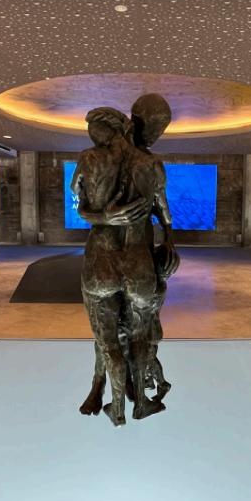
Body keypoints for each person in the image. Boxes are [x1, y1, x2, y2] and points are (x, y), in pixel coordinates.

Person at [74, 94, 178, 425]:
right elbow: (164, 210)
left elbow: (80, 206)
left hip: (103, 259)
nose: (157, 134)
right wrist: (169, 239)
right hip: (138, 262)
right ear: (133, 123)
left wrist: (105, 217)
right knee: (138, 336)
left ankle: (116, 405)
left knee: (106, 337)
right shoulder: (151, 164)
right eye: (156, 127)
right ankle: (136, 399)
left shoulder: (91, 159)